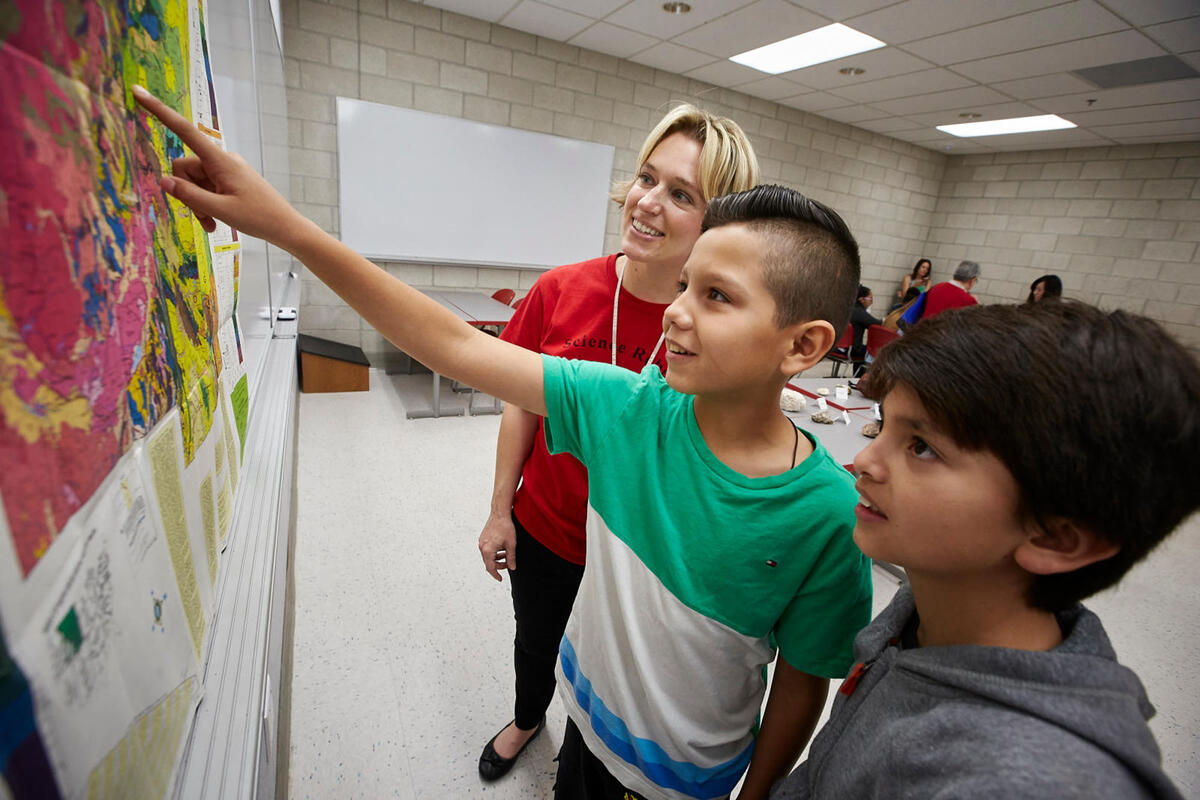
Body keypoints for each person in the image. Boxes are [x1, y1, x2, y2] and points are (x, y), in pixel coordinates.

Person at [132, 87, 873, 800]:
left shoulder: (823, 512)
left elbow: (804, 679)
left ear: (803, 344)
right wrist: (288, 227)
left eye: (712, 294)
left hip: (693, 775)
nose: (677, 313)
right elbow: (452, 344)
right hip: (589, 716)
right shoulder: (627, 406)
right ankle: (531, 720)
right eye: (685, 288)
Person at [771, 301, 1198, 800]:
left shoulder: (1023, 782)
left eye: (922, 447)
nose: (864, 460)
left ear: (1055, 537)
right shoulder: (922, 619)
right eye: (887, 426)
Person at [475, 104, 759, 781]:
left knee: (615, 675)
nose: (647, 203)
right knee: (535, 639)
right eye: (645, 178)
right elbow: (521, 403)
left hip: (642, 553)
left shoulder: (715, 331)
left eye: (681, 194)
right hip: (547, 526)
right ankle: (525, 718)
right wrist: (497, 509)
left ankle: (586, 746)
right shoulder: (561, 290)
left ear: (716, 225)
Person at [848, 285, 880, 373]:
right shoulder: (859, 312)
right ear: (861, 299)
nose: (872, 302)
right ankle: (859, 377)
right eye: (870, 299)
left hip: (839, 347)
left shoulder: (849, 309)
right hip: (852, 350)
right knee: (876, 352)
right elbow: (877, 324)